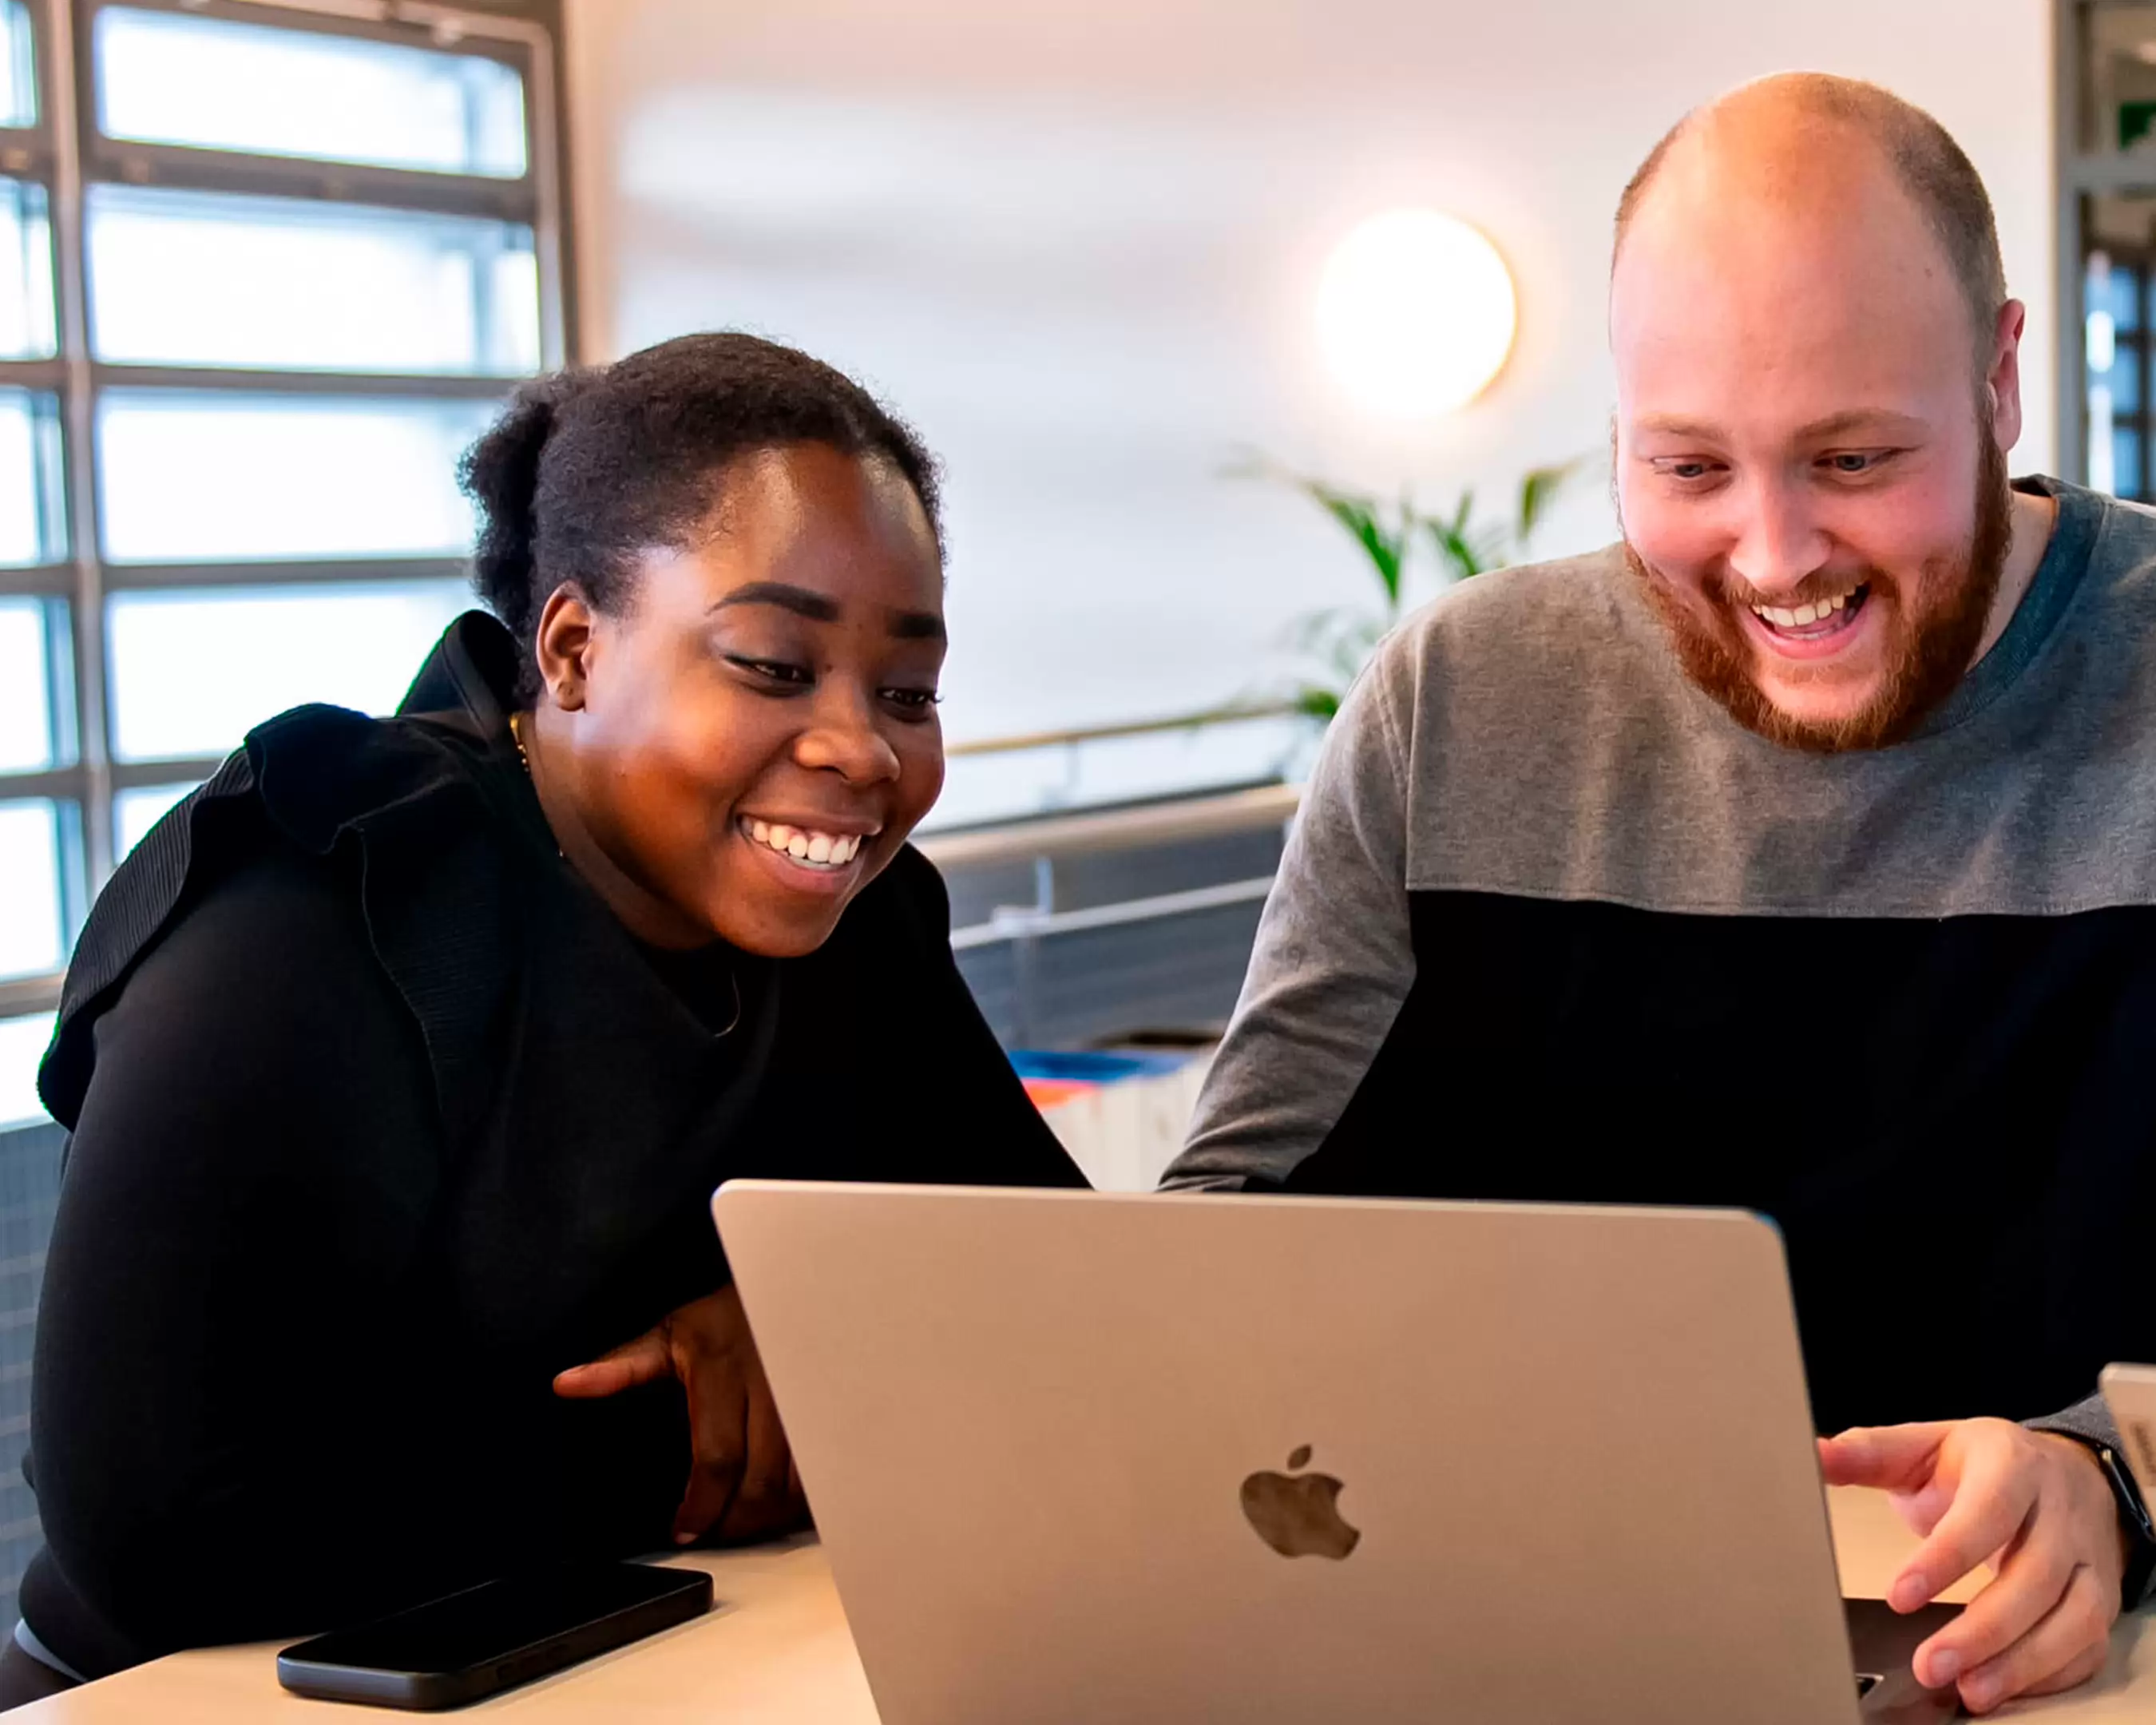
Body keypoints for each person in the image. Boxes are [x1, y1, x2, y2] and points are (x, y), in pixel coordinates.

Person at [1165, 73, 2156, 1715]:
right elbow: (1217, 1252)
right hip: (1525, 1645)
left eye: (1853, 455)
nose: (1775, 558)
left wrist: (2108, 1474)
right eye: (1689, 467)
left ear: (2000, 378)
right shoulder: (1461, 701)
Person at [9, 333, 1084, 1703]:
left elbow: (1065, 1297)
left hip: (623, 1663)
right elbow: (160, 1531)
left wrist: (804, 1322)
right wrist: (753, 1409)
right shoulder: (325, 904)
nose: (861, 748)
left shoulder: (864, 926)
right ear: (572, 647)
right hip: (194, 1696)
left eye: (907, 691)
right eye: (771, 663)